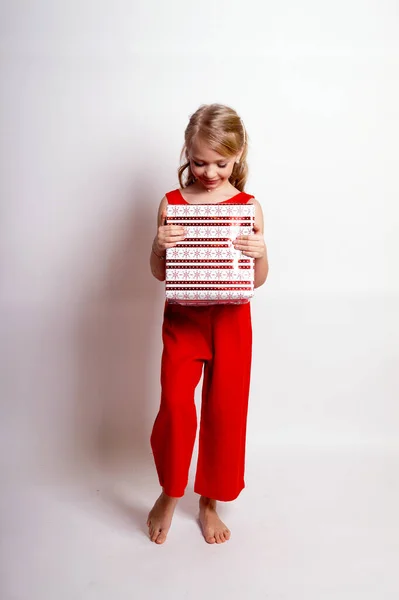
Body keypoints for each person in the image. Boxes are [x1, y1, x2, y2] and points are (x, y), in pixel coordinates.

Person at [147, 103, 269, 544]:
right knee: (177, 408)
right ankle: (170, 491)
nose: (210, 172)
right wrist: (159, 246)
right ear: (186, 153)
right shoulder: (172, 203)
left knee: (226, 412)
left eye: (221, 162)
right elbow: (160, 272)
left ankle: (210, 501)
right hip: (184, 319)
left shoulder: (248, 206)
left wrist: (261, 254)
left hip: (233, 320)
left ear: (238, 156)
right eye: (199, 162)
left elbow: (257, 278)